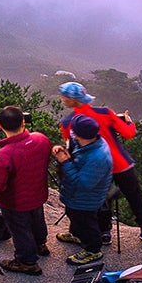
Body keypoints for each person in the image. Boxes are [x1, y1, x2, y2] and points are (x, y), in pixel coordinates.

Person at [57, 81, 142, 243]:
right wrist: (129, 122)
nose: (62, 99)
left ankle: (104, 232)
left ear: (72, 99)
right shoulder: (105, 112)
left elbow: (73, 148)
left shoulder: (68, 123)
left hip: (96, 167)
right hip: (121, 164)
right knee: (135, 196)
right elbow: (128, 134)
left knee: (101, 200)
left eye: (64, 96)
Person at [0, 105, 53, 275]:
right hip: (38, 194)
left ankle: (27, 261)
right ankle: (40, 244)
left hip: (15, 202)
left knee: (20, 230)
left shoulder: (4, 154)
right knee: (37, 219)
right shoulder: (41, 139)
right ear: (23, 122)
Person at [55, 113, 114, 266]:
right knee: (73, 215)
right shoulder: (86, 142)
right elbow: (73, 146)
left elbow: (83, 184)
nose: (71, 134)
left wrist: (65, 162)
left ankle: (93, 250)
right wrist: (61, 149)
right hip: (75, 197)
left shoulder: (98, 156)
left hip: (85, 199)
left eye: (74, 131)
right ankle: (77, 235)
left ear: (81, 134)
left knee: (87, 223)